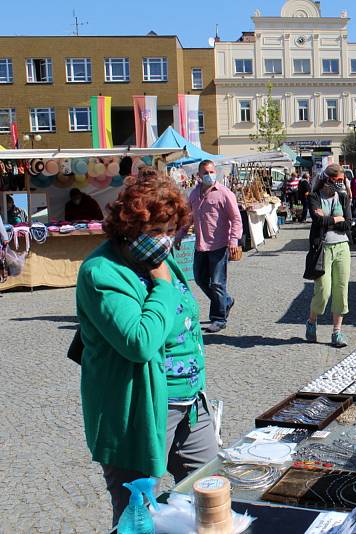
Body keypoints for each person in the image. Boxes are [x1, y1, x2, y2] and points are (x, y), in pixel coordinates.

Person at [76, 169, 218, 527]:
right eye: (156, 231)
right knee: (136, 516)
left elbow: (185, 319)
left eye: (171, 230)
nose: (165, 240)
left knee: (212, 493)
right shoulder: (102, 272)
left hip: (190, 404)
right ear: (128, 226)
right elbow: (139, 342)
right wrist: (163, 288)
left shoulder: (160, 259)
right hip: (139, 409)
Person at [176, 160, 243, 333]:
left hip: (219, 245)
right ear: (199, 175)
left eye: (212, 171)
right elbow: (189, 218)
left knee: (218, 283)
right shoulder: (194, 194)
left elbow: (236, 219)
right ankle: (226, 301)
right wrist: (179, 235)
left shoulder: (224, 193)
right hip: (201, 245)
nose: (209, 175)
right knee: (200, 279)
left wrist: (233, 241)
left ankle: (219, 319)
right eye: (205, 172)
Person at [306, 164, 353, 348]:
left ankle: (337, 332)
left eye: (343, 180)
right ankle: (311, 320)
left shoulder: (342, 196)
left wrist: (328, 221)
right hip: (323, 248)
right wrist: (335, 219)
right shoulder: (314, 197)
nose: (341, 184)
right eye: (338, 180)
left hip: (342, 247)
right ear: (327, 179)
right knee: (323, 292)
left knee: (341, 289)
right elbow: (317, 221)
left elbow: (348, 224)